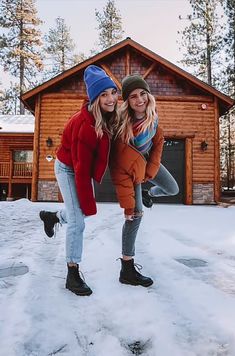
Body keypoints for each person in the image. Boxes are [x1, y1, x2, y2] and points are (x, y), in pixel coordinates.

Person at [39, 65, 118, 296]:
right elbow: (81, 171)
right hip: (67, 168)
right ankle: (72, 274)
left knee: (77, 213)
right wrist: (89, 204)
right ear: (94, 99)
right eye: (103, 95)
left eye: (112, 91)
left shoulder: (105, 115)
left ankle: (52, 217)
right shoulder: (86, 126)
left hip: (78, 167)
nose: (111, 98)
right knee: (78, 221)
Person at [110, 74, 179, 287]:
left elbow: (158, 141)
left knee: (172, 188)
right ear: (127, 102)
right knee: (135, 216)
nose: (140, 100)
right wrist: (129, 206)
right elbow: (120, 167)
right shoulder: (121, 126)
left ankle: (150, 194)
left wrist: (152, 167)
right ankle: (127, 268)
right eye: (133, 97)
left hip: (147, 162)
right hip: (130, 169)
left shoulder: (153, 117)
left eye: (142, 94)